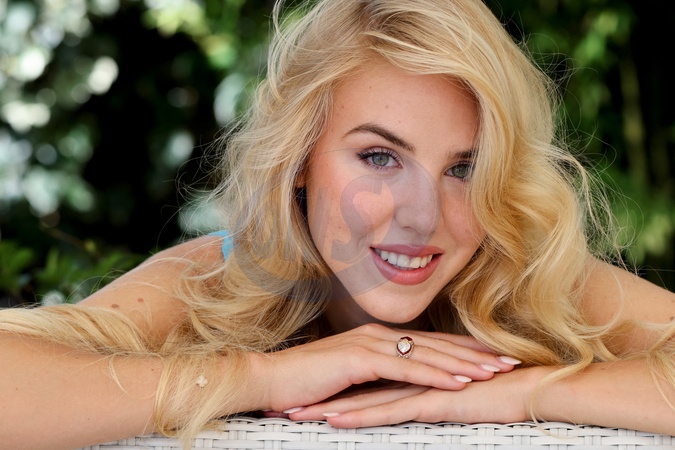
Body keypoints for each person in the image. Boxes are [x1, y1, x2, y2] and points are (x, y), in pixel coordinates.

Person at [1, 0, 674, 448]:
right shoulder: (224, 275)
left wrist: (524, 392)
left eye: (465, 168)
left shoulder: (524, 278)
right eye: (379, 157)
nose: (422, 217)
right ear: (300, 158)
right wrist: (266, 376)